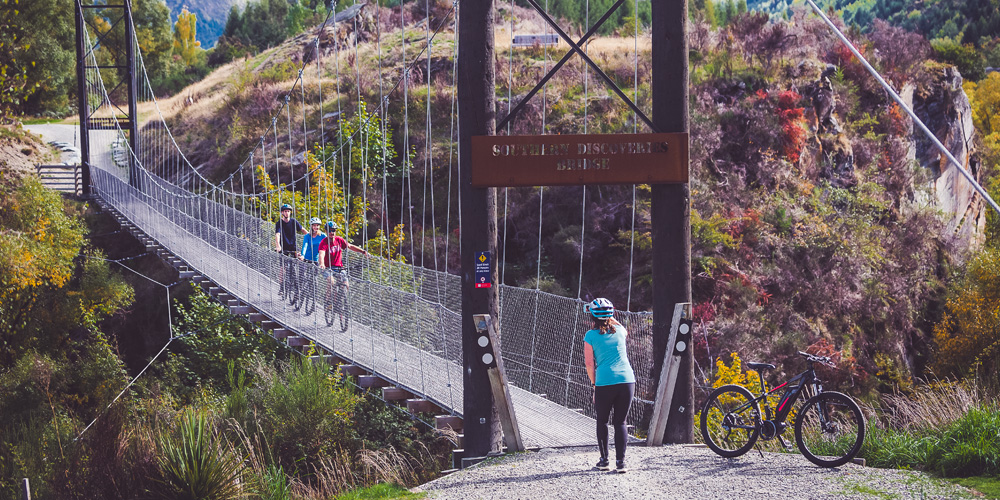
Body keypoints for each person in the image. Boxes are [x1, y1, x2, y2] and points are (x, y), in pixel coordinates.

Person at [583, 297, 635, 473]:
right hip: (627, 380)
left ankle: (604, 460)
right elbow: (617, 324)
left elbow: (589, 364)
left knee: (602, 421)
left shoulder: (590, 336)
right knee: (621, 422)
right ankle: (621, 463)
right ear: (611, 314)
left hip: (605, 381)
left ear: (592, 316)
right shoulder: (621, 331)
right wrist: (609, 317)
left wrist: (594, 385)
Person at [318, 221, 366, 308]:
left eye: (333, 230)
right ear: (326, 231)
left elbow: (350, 246)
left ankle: (338, 301)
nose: (332, 232)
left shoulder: (339, 240)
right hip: (327, 268)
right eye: (329, 230)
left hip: (339, 267)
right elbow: (321, 254)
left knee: (346, 285)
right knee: (331, 281)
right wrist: (322, 264)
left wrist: (363, 251)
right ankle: (327, 301)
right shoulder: (323, 243)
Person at [274, 203, 307, 291]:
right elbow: (277, 235)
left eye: (288, 211)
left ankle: (301, 279)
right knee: (283, 268)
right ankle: (281, 287)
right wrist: (278, 246)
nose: (287, 213)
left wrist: (311, 237)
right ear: (282, 213)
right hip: (283, 248)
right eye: (285, 211)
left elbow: (303, 230)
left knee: (301, 259)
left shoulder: (294, 222)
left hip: (293, 247)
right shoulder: (279, 223)